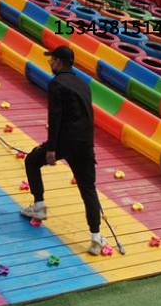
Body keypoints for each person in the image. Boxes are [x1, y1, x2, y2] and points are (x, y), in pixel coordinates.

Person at [21, 45, 107, 255]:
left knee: (32, 161)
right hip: (84, 143)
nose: (50, 63)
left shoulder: (57, 83)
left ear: (59, 62)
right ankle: (96, 239)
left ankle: (39, 207)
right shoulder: (84, 84)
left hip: (65, 142)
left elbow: (55, 116)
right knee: (88, 189)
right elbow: (89, 116)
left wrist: (51, 148)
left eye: (52, 60)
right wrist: (89, 148)